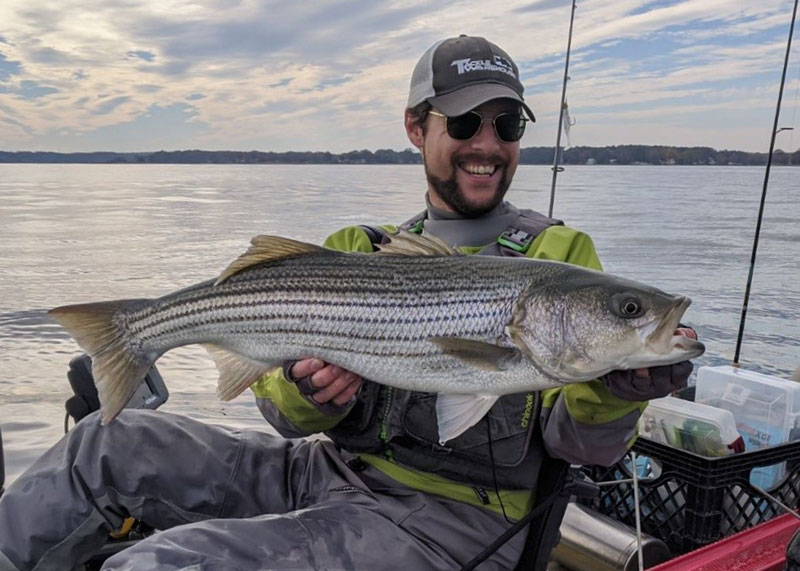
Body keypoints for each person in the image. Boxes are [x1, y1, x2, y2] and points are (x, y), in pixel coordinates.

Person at [0, 35, 696, 571]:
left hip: (451, 524)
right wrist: (315, 396)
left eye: (507, 124)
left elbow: (583, 445)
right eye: (463, 123)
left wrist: (620, 389)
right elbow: (280, 414)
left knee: (164, 562)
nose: (486, 144)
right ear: (416, 127)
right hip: (321, 471)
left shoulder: (564, 256)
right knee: (101, 444)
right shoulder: (353, 248)